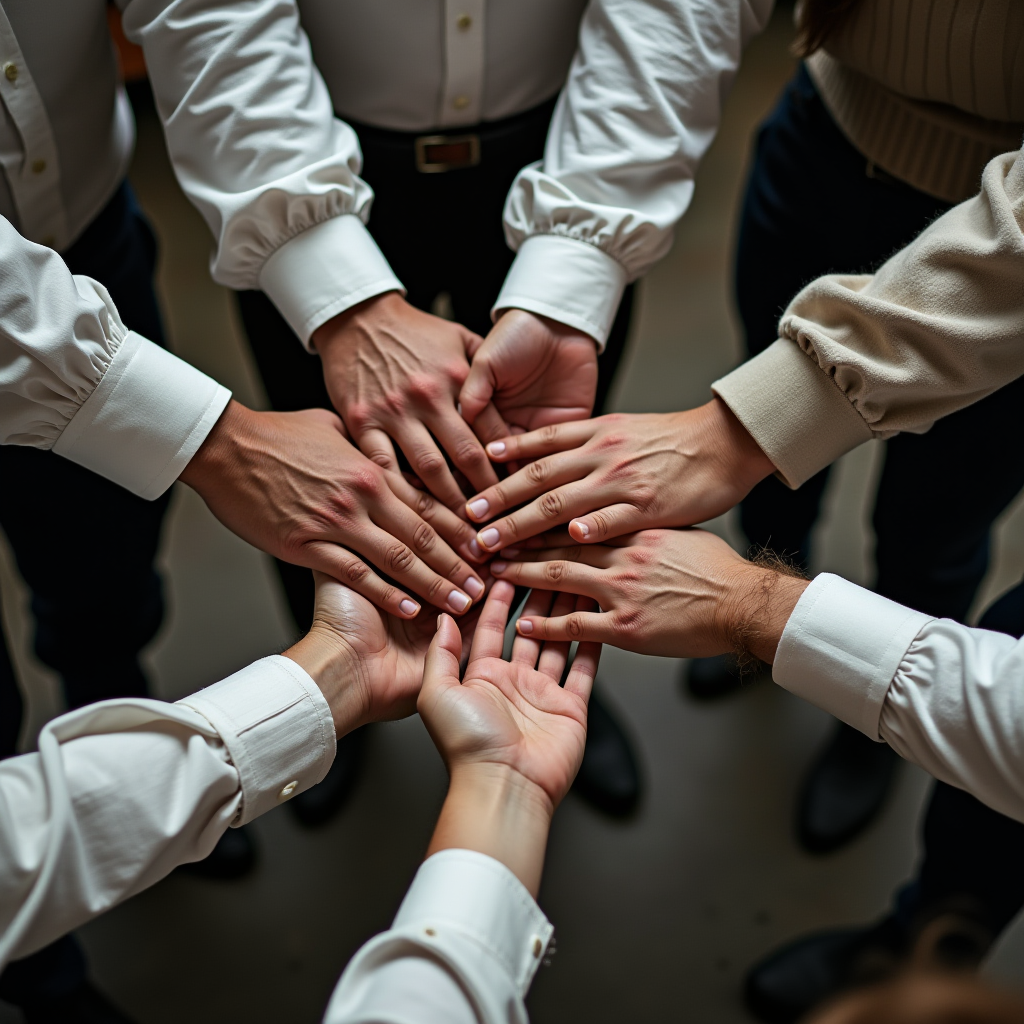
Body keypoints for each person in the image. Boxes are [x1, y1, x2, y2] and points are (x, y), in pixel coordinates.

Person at [120, 0, 792, 823]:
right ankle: (333, 696)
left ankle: (538, 686)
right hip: (308, 149)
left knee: (549, 495)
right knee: (325, 494)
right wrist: (338, 291)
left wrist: (575, 260)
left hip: (571, 150)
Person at [456, 134, 1024, 1021]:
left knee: (934, 534)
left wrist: (747, 602)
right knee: (792, 521)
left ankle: (876, 770)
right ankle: (923, 899)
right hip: (837, 153)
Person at [0, 198, 484, 1021]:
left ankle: (103, 694)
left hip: (81, 233)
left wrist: (331, 677)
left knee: (106, 572)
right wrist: (218, 444)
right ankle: (38, 975)